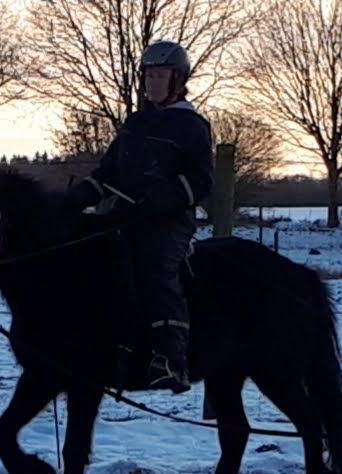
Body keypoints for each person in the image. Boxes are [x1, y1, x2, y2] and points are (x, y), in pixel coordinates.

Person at [63, 40, 214, 394]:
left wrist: (156, 201)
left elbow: (200, 181)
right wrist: (78, 197)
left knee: (157, 270)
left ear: (178, 80)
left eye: (159, 76)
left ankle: (170, 358)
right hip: (125, 216)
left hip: (169, 222)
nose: (151, 82)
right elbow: (108, 173)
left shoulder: (192, 126)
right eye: (148, 75)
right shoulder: (135, 124)